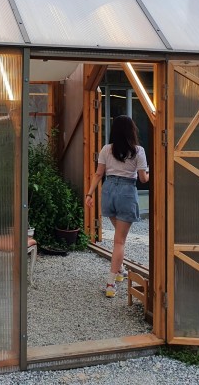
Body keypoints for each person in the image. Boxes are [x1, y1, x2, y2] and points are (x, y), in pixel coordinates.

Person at [84, 115, 149, 298]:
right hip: (127, 192)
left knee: (118, 236)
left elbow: (98, 174)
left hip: (109, 190)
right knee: (119, 241)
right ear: (132, 131)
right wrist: (150, 173)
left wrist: (89, 194)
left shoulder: (106, 149)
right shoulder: (138, 151)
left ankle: (120, 271)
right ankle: (110, 284)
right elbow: (143, 178)